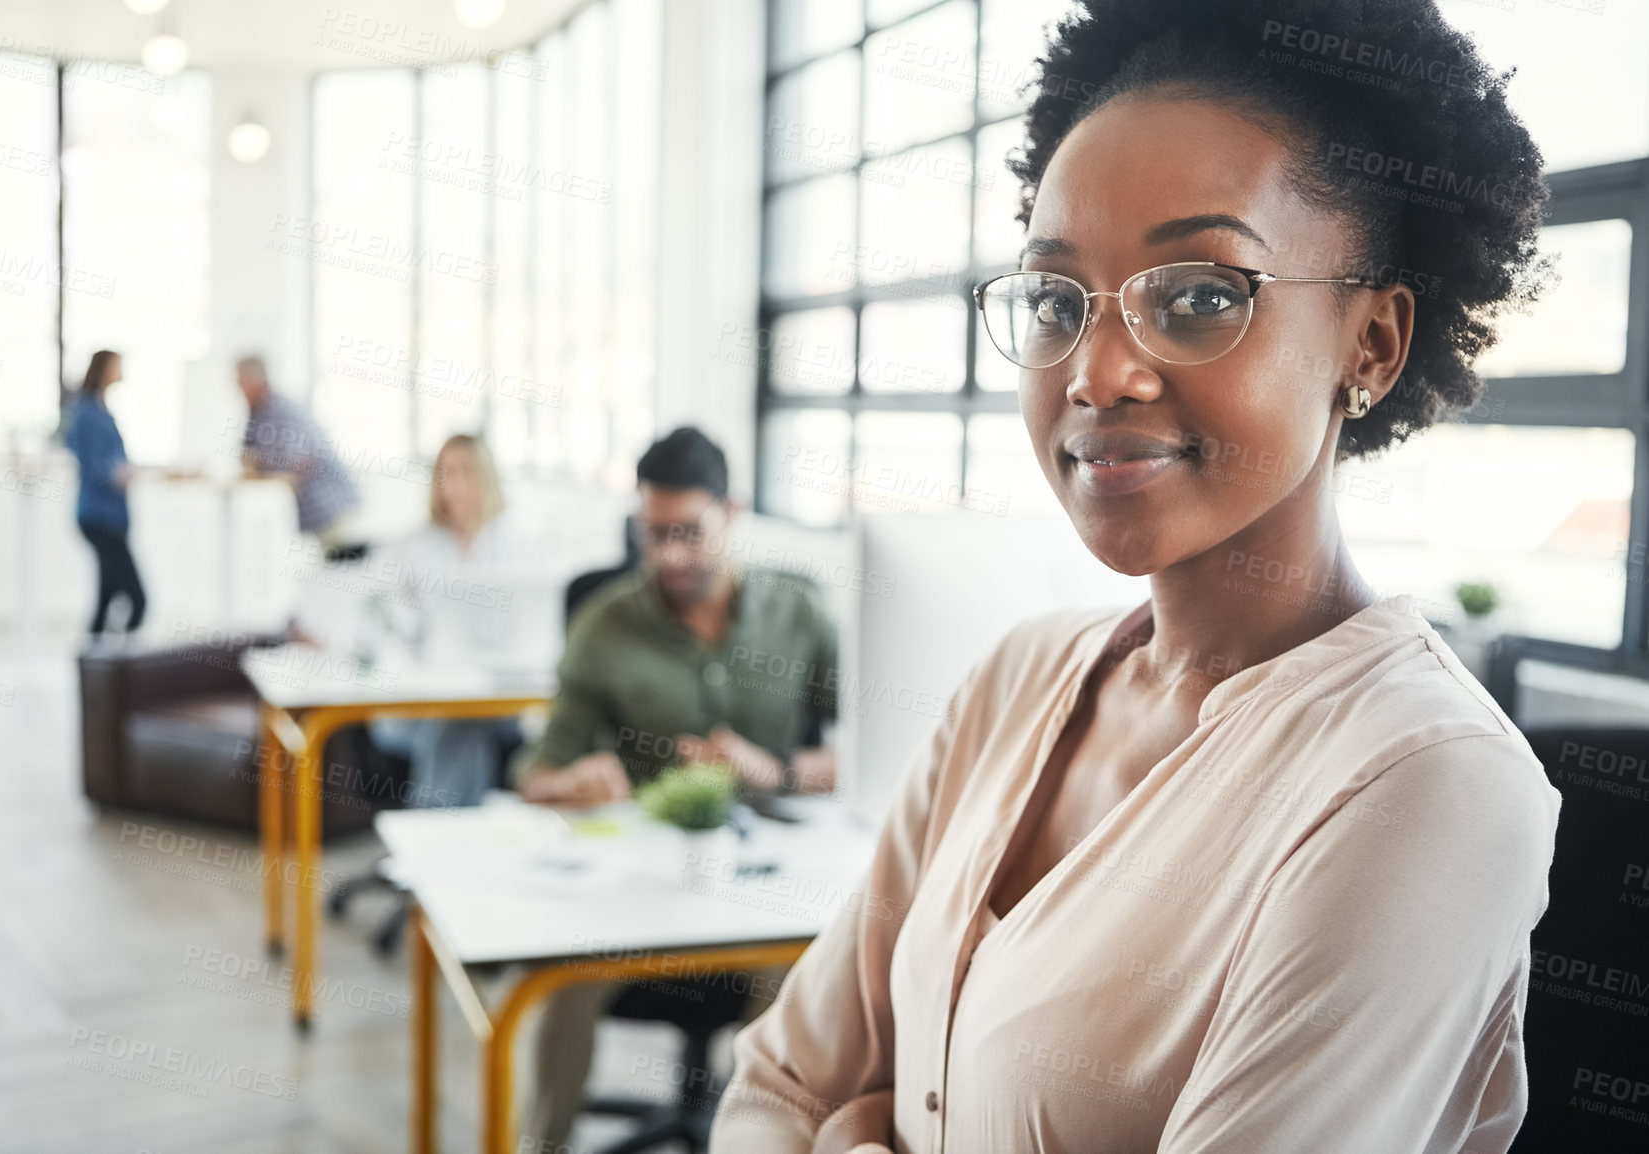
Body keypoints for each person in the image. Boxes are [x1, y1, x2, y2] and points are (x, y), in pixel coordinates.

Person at [710, 3, 1561, 1152]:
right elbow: (771, 1087)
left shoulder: (1423, 784)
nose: (1098, 369)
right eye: (1057, 301)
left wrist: (854, 1134)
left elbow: (817, 1112)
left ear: (1372, 343)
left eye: (1201, 294)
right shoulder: (1014, 679)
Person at [508, 425, 842, 1148]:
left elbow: (882, 758)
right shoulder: (604, 623)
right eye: (651, 534)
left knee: (813, 972)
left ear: (735, 512)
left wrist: (774, 772)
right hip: (636, 892)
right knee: (554, 975)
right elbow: (533, 771)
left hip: (766, 883)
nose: (669, 555)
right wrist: (571, 781)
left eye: (688, 532)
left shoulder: (800, 612)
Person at [364, 434, 533, 807]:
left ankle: (425, 842)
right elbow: (387, 628)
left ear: (486, 478)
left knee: (465, 718)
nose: (454, 485)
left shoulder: (516, 547)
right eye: (445, 473)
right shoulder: (410, 548)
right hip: (420, 701)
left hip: (497, 698)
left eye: (465, 472)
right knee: (459, 722)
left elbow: (530, 631)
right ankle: (454, 843)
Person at [235, 355, 364, 560]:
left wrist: (260, 476)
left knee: (340, 575)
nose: (238, 388)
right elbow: (247, 460)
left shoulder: (284, 411)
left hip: (332, 509)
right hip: (313, 517)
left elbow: (295, 470)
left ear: (256, 380)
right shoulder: (256, 414)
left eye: (240, 381)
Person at [64, 349, 146, 640]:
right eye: (118, 366)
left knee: (107, 595)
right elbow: (91, 462)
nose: (123, 371)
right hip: (98, 516)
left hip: (115, 516)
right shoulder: (84, 411)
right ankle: (122, 668)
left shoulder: (103, 410)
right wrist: (116, 473)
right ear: (104, 369)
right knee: (138, 598)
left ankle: (94, 667)